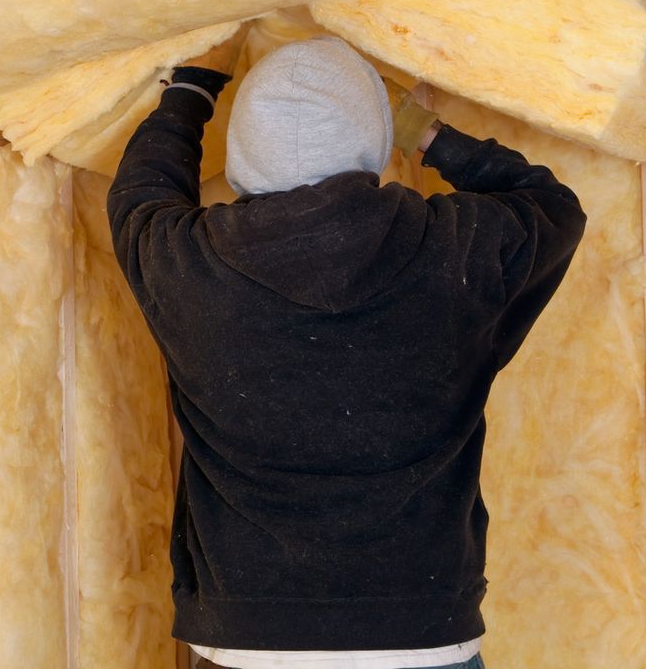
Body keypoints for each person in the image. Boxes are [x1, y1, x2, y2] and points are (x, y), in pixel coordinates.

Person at [107, 33, 587, 669]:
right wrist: (424, 132)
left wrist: (193, 87)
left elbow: (140, 191)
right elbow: (553, 205)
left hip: (247, 635)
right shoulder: (458, 249)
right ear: (372, 143)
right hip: (424, 629)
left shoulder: (187, 265)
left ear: (248, 152)